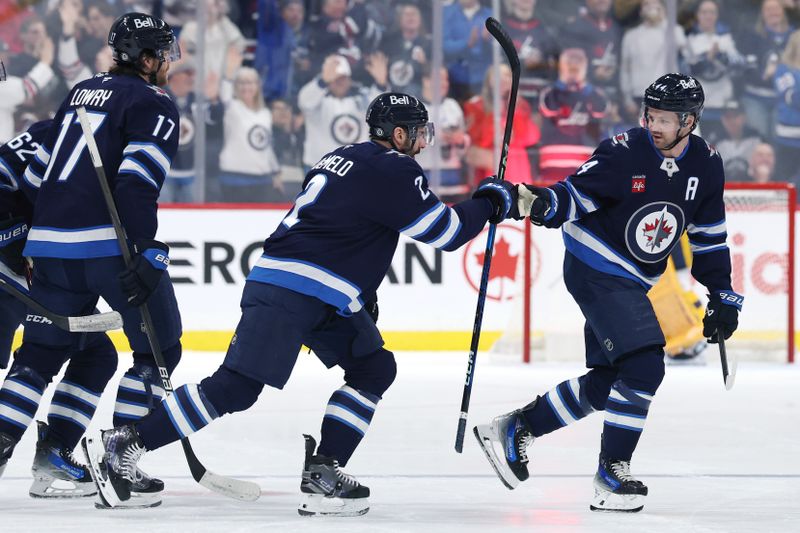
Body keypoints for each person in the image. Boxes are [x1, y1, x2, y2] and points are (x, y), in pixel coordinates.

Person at [81, 92, 527, 515]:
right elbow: (445, 232)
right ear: (396, 135)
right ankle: (128, 441)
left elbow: (347, 225)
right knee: (235, 387)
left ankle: (324, 471)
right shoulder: (394, 168)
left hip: (316, 290)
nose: (422, 141)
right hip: (296, 289)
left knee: (374, 368)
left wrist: (361, 294)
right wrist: (492, 201)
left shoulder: (343, 156)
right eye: (416, 131)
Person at [473, 73, 742, 513]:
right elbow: (574, 196)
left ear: (690, 121)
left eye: (666, 118)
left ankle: (516, 427)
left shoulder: (708, 165)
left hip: (635, 279)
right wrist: (532, 202)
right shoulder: (622, 152)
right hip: (595, 266)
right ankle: (611, 474)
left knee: (610, 383)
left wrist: (722, 294)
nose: (654, 124)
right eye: (650, 114)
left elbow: (710, 237)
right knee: (644, 366)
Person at [5, 12, 183, 509]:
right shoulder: (155, 102)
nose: (168, 61)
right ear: (147, 59)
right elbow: (135, 181)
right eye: (164, 53)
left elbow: (42, 172)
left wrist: (35, 235)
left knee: (46, 356)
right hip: (108, 247)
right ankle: (116, 462)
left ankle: (48, 456)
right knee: (158, 354)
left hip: (49, 247)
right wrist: (145, 247)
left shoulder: (81, 91)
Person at [218, 66, 284, 202]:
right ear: (235, 86)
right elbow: (225, 95)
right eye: (241, 82)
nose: (246, 86)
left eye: (250, 82)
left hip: (262, 180)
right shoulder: (233, 107)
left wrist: (276, 172)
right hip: (234, 180)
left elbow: (266, 146)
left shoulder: (265, 113)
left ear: (258, 85)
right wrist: (229, 73)